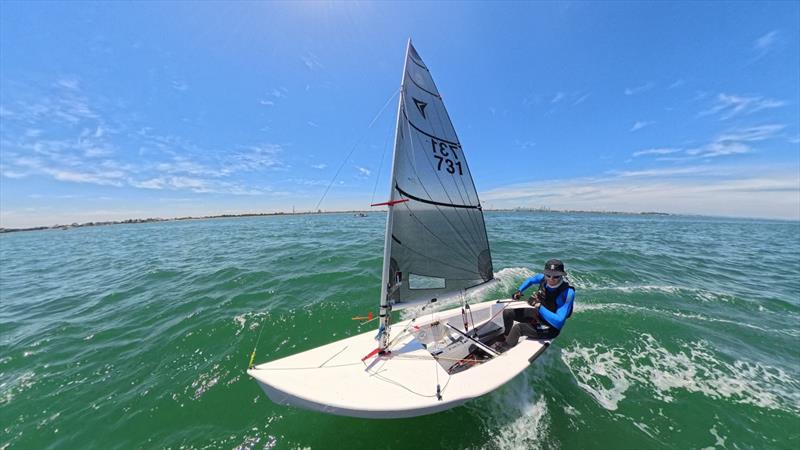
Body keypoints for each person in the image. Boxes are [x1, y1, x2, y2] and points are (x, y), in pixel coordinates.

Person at [497, 259, 575, 349]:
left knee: (518, 328)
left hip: (550, 326)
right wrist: (519, 291)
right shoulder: (543, 278)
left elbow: (559, 322)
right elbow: (531, 280)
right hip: (538, 315)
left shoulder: (567, 293)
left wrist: (538, 306)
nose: (551, 279)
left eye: (556, 276)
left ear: (561, 275)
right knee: (508, 313)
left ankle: (504, 349)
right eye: (548, 275)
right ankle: (507, 338)